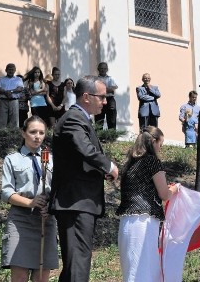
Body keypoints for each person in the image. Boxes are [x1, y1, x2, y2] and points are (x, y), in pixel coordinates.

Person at [49, 75, 119, 282]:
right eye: (102, 97)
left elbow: (79, 158)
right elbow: (85, 150)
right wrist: (109, 166)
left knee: (76, 264)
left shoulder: (80, 119)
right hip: (76, 202)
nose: (105, 101)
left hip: (79, 202)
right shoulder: (73, 118)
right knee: (78, 265)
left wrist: (101, 170)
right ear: (87, 97)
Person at [117, 126, 178, 282]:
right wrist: (175, 189)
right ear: (153, 141)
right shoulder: (152, 162)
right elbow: (164, 194)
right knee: (144, 271)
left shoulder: (129, 164)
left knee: (132, 270)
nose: (160, 149)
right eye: (160, 144)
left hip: (126, 223)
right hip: (144, 221)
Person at [1, 116, 58, 282]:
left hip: (46, 219)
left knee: (42, 276)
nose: (37, 136)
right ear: (23, 133)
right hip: (20, 221)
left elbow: (59, 189)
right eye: (33, 132)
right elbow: (6, 192)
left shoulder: (52, 159)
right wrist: (30, 203)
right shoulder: (12, 159)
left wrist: (52, 206)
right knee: (19, 275)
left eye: (41, 132)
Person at [0, 63, 24, 128]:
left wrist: (11, 91)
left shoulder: (18, 79)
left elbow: (20, 88)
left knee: (14, 120)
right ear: (6, 70)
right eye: (9, 69)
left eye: (12, 69)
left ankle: (13, 135)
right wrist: (5, 92)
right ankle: (1, 134)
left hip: (14, 101)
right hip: (3, 101)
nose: (11, 71)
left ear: (15, 70)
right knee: (2, 120)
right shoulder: (1, 79)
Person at [95, 62, 118, 130]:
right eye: (101, 68)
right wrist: (108, 88)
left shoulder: (110, 79)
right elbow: (95, 89)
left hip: (110, 99)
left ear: (107, 69)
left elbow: (113, 88)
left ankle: (112, 135)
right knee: (99, 119)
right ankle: (99, 136)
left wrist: (101, 88)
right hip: (99, 99)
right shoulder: (95, 79)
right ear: (98, 69)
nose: (103, 70)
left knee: (112, 118)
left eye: (104, 68)